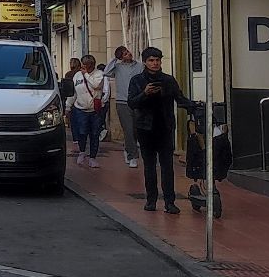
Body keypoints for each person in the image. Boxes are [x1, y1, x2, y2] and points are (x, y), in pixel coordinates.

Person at [125, 46, 196, 213]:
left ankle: (170, 202)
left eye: (157, 60)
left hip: (165, 127)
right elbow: (132, 103)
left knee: (167, 166)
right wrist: (145, 93)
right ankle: (151, 200)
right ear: (145, 62)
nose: (155, 63)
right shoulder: (137, 80)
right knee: (149, 166)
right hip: (145, 128)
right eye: (151, 60)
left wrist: (195, 106)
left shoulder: (168, 80)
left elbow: (180, 99)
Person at [68, 55, 110, 168]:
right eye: (83, 64)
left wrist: (86, 74)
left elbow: (96, 85)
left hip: (94, 109)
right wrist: (68, 105)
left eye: (87, 65)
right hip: (80, 108)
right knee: (81, 132)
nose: (84, 66)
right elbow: (74, 92)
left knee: (94, 134)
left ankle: (92, 157)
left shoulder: (99, 74)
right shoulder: (77, 75)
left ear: (92, 65)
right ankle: (82, 152)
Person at [104, 47, 141, 168]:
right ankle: (132, 156)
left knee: (136, 129)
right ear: (121, 57)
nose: (128, 54)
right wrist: (115, 59)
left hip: (137, 101)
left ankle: (127, 148)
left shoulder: (139, 66)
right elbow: (106, 72)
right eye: (124, 54)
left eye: (128, 52)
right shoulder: (117, 67)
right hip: (122, 102)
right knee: (128, 129)